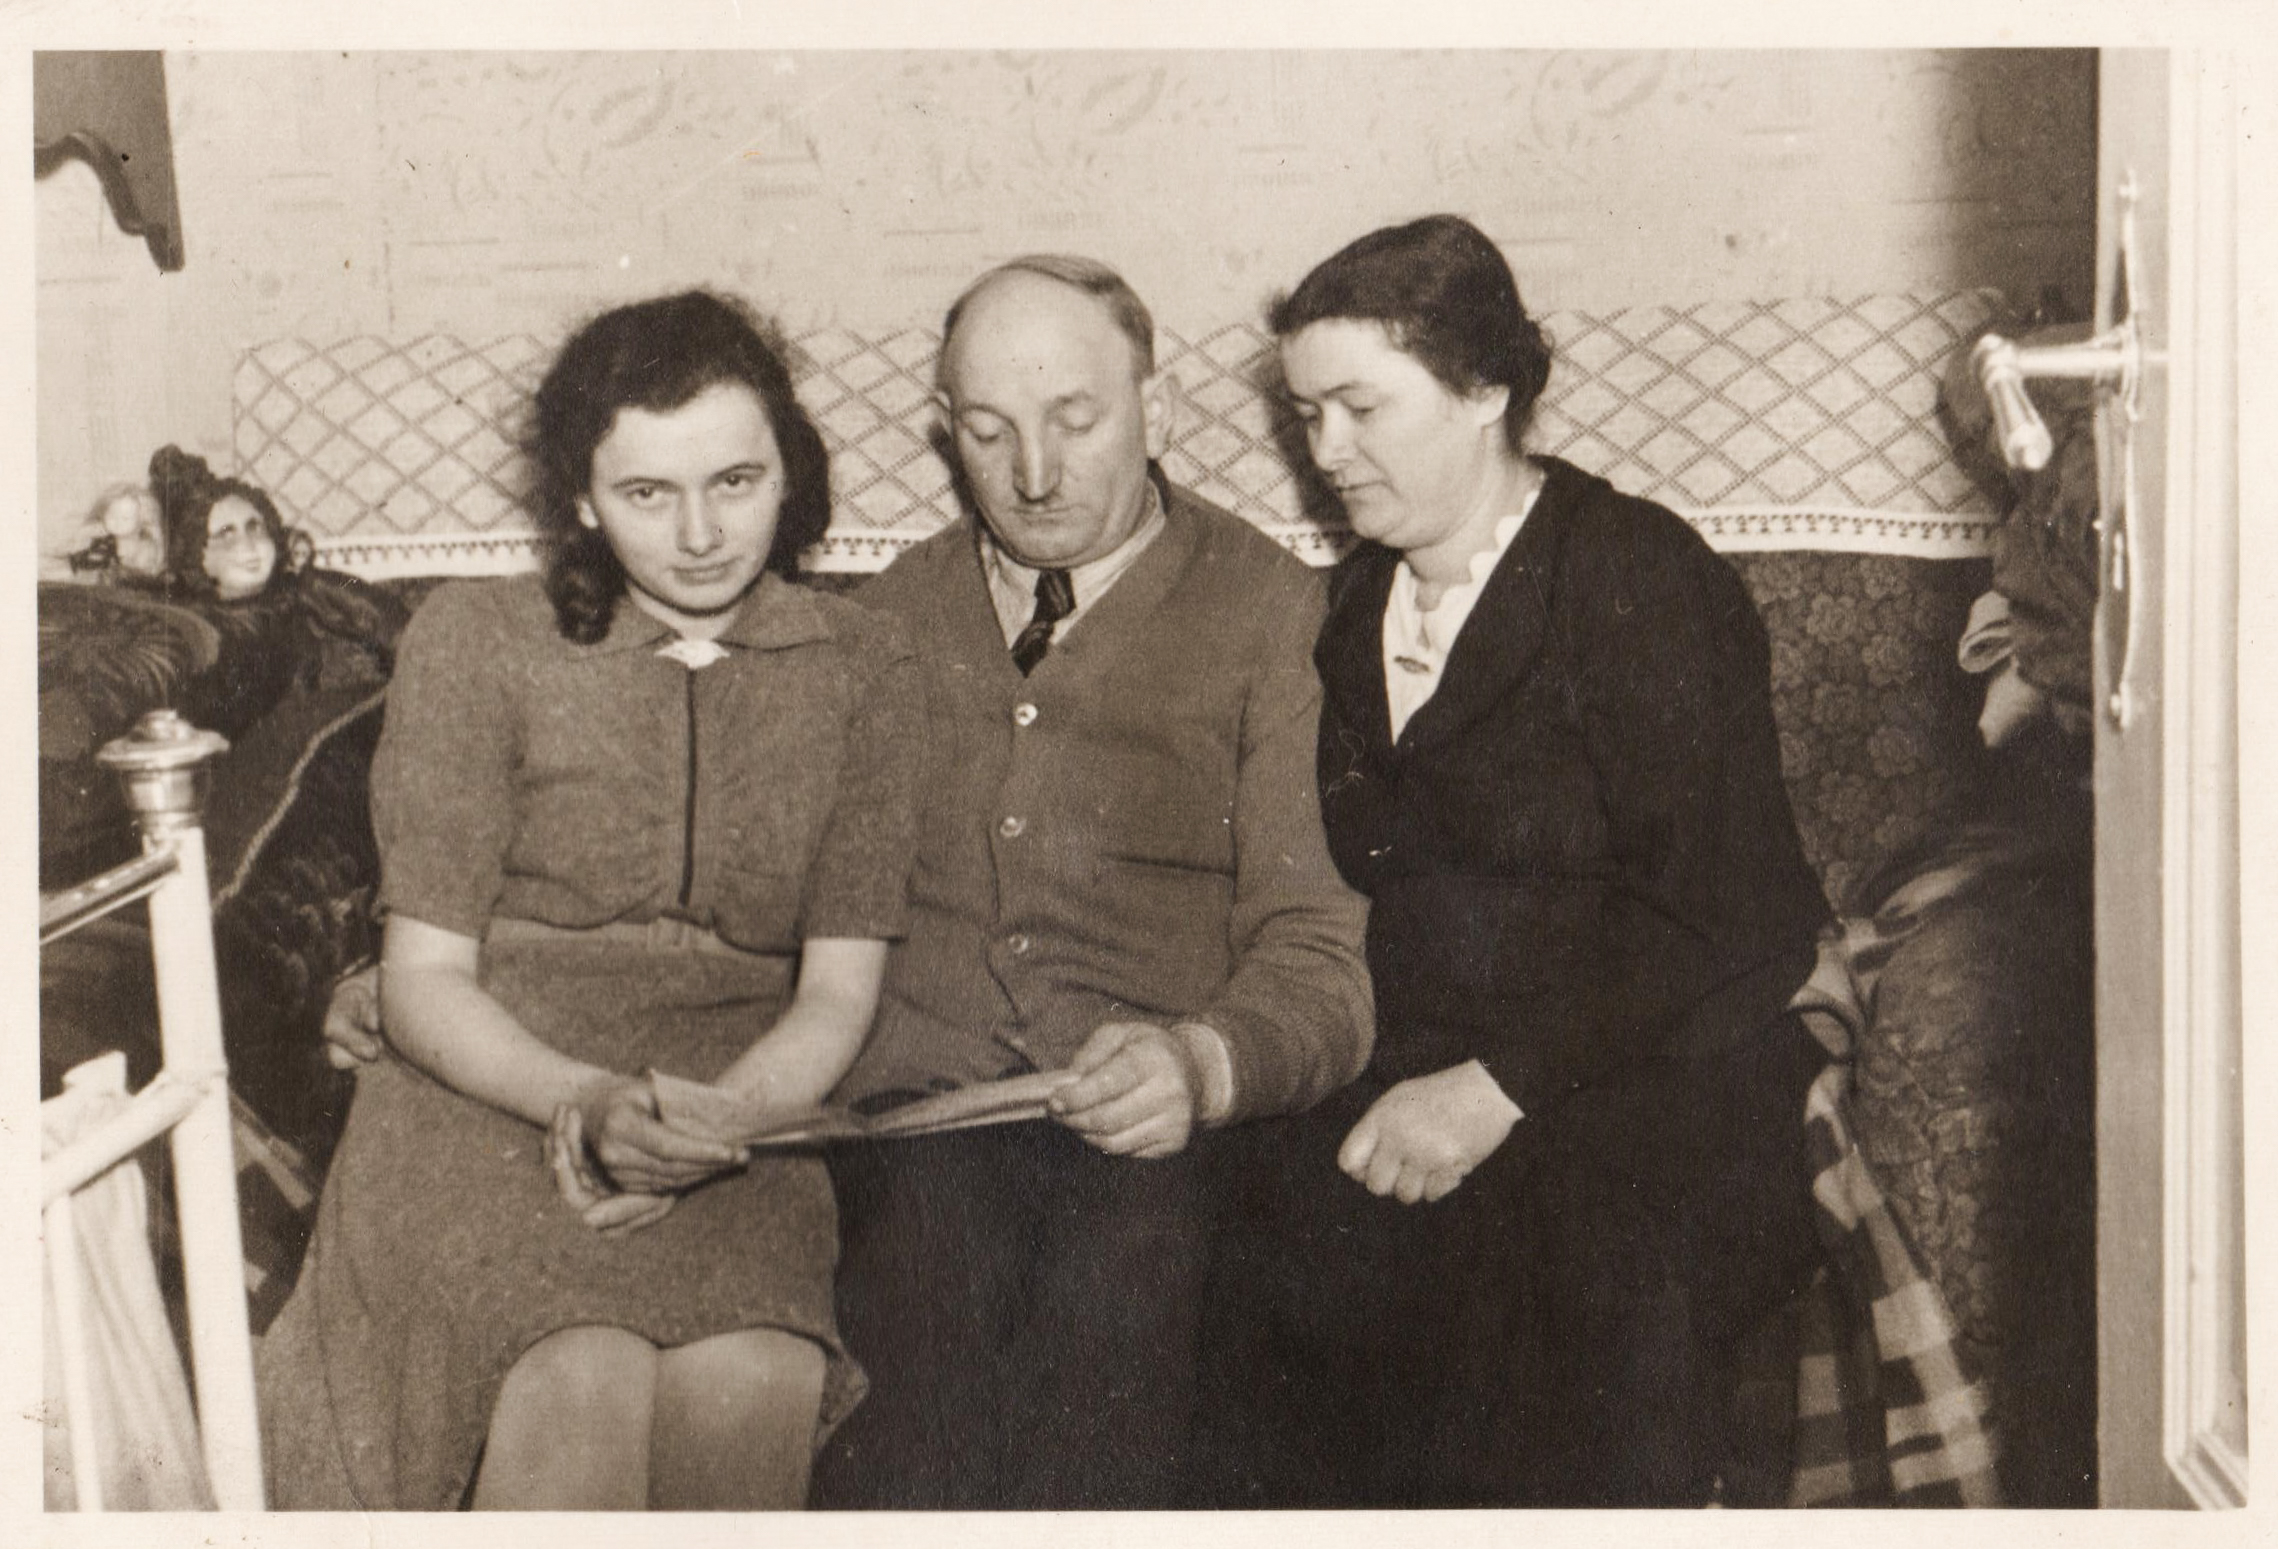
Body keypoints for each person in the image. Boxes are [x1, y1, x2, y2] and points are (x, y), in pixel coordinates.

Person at [1193, 215, 1834, 1507]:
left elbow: (1727, 912)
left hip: (1658, 1067)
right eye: (1306, 415)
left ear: (1484, 388)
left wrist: (1497, 1089)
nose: (1325, 452)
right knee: (1240, 1229)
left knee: (1565, 1273)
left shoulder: (1634, 574)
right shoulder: (1352, 612)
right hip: (1421, 1062)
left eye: (1360, 408)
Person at [261, 289, 921, 1511]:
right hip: (488, 1082)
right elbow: (424, 981)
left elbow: (838, 992)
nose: (701, 535)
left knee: (755, 1379)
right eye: (647, 493)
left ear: (791, 470)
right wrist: (588, 1104)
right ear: (579, 497)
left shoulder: (869, 668)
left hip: (741, 1094)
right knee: (575, 1376)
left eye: (736, 482)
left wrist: (715, 1124)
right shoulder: (474, 640)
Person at [806, 255, 1375, 1510]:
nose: (1034, 474)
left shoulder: (1279, 616)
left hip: (1156, 1136)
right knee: (921, 1299)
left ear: (1155, 411)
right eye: (988, 430)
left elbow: (1320, 953)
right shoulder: (882, 621)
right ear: (944, 431)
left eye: (1075, 419)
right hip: (916, 1126)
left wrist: (1202, 1063)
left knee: (1132, 1298)